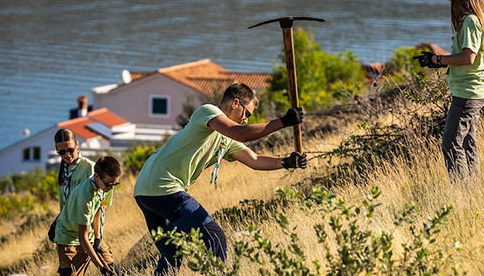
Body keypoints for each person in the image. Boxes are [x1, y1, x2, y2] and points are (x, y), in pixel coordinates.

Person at [134, 83, 308, 276]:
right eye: (246, 114)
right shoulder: (207, 111)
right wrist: (283, 122)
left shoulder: (226, 139)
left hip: (145, 190)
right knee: (214, 238)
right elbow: (241, 132)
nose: (245, 120)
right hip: (163, 186)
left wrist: (286, 162)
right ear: (235, 103)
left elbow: (255, 160)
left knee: (172, 252)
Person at [416, 0, 484, 182]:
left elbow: (468, 57)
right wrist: (435, 60)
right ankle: (472, 188)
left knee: (451, 141)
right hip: (474, 88)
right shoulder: (476, 20)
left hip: (469, 91)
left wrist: (438, 59)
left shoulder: (469, 22)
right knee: (467, 140)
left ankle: (462, 191)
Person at [53, 129, 117, 276]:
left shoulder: (90, 168)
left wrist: (97, 239)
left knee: (113, 271)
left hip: (89, 235)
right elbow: (66, 204)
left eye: (70, 150)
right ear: (57, 150)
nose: (67, 155)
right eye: (62, 152)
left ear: (77, 144)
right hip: (69, 235)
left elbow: (99, 207)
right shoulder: (63, 169)